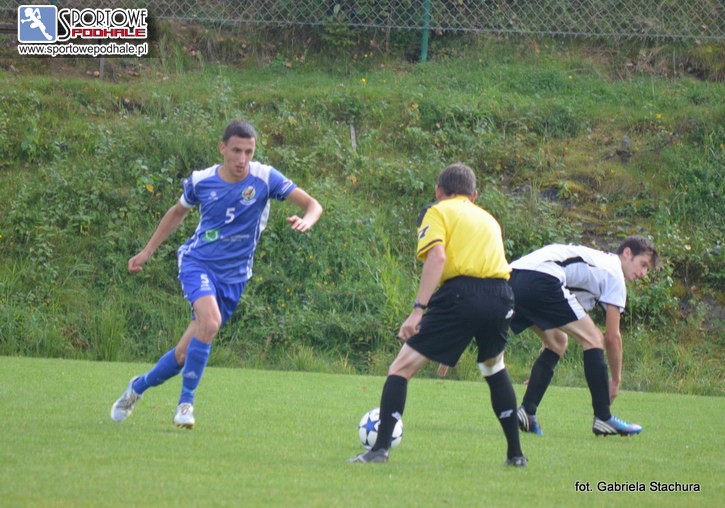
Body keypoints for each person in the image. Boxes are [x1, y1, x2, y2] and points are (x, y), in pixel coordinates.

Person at [110, 119, 323, 429]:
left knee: (184, 353)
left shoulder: (265, 178)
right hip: (197, 263)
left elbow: (313, 204)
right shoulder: (202, 180)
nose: (242, 159)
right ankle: (185, 404)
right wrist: (147, 251)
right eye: (236, 151)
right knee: (210, 322)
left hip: (234, 278)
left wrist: (308, 220)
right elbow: (177, 212)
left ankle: (136, 388)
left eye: (248, 152)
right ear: (222, 148)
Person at [348, 163, 526, 467]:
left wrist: (418, 310)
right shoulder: (488, 219)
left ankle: (379, 450)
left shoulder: (438, 211)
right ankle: (516, 455)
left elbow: (438, 256)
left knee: (400, 368)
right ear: (474, 195)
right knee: (494, 368)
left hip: (460, 293)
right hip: (501, 294)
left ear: (438, 191)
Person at [509, 236, 659, 437]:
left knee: (557, 342)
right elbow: (612, 337)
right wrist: (615, 380)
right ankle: (603, 417)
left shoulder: (595, 266)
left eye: (647, 269)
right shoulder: (614, 272)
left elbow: (557, 317)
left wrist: (539, 375)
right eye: (643, 264)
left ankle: (527, 411)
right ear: (627, 253)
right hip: (542, 277)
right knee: (593, 339)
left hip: (512, 278)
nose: (643, 273)